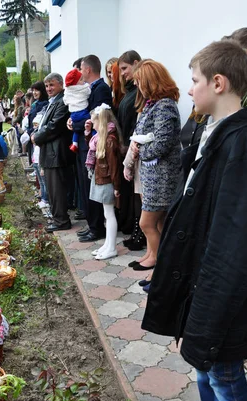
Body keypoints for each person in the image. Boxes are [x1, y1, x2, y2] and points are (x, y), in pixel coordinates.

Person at [141, 41, 247, 401]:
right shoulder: (219, 133)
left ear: (218, 83)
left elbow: (232, 247)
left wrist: (206, 317)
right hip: (204, 290)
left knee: (222, 377)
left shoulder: (242, 150)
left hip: (221, 300)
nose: (188, 88)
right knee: (207, 372)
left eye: (194, 80)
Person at [128, 60, 181, 273]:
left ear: (151, 81)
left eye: (141, 82)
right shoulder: (152, 104)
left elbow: (163, 142)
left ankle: (160, 265)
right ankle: (151, 255)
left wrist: (141, 151)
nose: (139, 87)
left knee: (146, 223)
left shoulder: (166, 105)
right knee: (157, 224)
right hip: (151, 173)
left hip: (162, 174)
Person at [71, 55, 113, 242]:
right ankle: (92, 224)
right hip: (85, 142)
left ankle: (97, 228)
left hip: (95, 144)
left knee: (92, 187)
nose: (79, 73)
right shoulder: (90, 89)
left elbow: (97, 118)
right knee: (85, 186)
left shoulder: (101, 89)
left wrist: (76, 124)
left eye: (81, 68)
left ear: (87, 69)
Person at [32, 73, 73, 233]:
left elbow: (54, 126)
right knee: (53, 189)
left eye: (52, 85)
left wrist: (37, 136)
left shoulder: (62, 101)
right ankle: (58, 217)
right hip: (50, 152)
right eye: (47, 85)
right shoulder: (53, 101)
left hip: (56, 153)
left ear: (61, 84)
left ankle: (62, 220)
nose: (48, 88)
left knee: (57, 190)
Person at [85, 104, 122, 260]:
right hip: (102, 178)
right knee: (107, 214)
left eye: (94, 122)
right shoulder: (101, 138)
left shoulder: (109, 140)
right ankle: (108, 244)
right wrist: (87, 133)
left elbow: (114, 166)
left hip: (107, 180)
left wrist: (116, 186)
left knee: (109, 214)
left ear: (101, 122)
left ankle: (111, 247)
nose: (93, 124)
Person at [115, 50, 144, 244]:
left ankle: (139, 232)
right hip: (127, 148)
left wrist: (129, 145)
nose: (122, 73)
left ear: (136, 63)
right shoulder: (129, 91)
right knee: (131, 193)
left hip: (135, 149)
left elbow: (137, 123)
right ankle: (132, 227)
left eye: (125, 68)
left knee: (138, 194)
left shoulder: (139, 93)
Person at [63, 68, 91, 154]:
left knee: (75, 131)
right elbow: (88, 92)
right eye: (81, 79)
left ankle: (74, 143)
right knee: (91, 119)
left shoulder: (68, 91)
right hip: (82, 113)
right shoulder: (82, 88)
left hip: (73, 114)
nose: (84, 81)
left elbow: (65, 101)